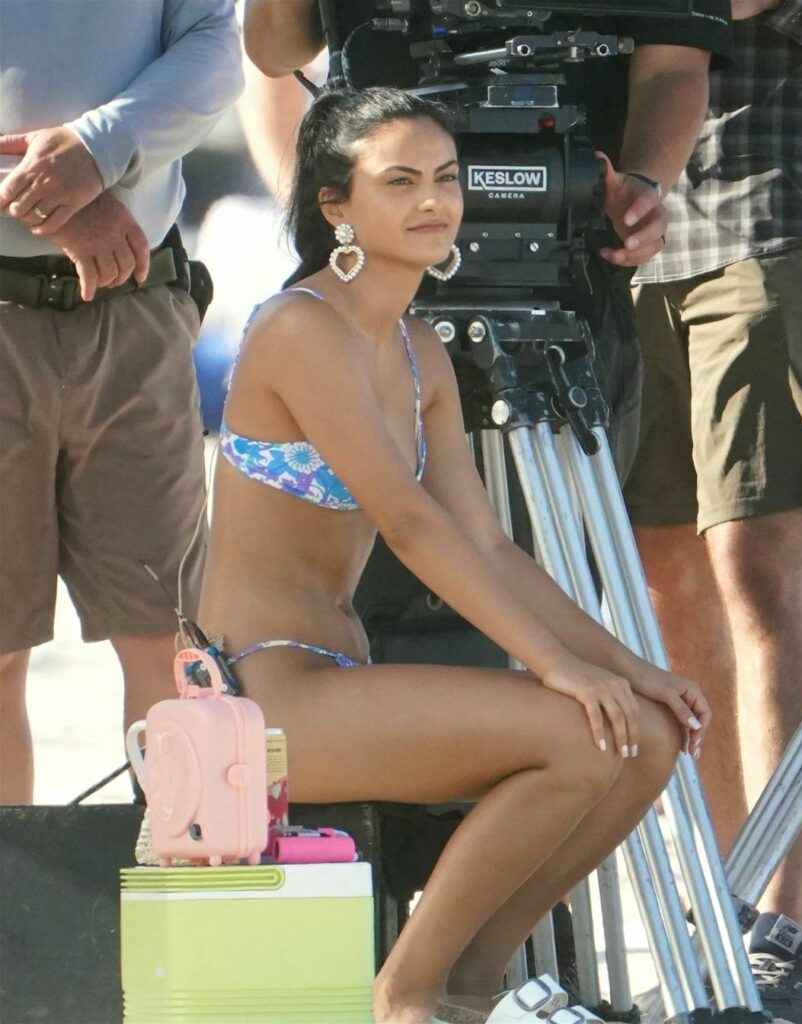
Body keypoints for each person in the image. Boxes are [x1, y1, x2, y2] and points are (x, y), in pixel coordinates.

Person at [198, 85, 709, 1024]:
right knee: (578, 734)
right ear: (336, 205)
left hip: (336, 679)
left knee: (649, 736)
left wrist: (633, 668)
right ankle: (406, 995)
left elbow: (484, 543)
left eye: (446, 178)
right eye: (399, 182)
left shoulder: (417, 348)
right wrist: (556, 668)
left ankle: (474, 991)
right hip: (255, 697)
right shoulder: (299, 326)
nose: (434, 200)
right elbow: (409, 523)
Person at [624, 0, 802, 1018]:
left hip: (772, 210)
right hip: (616, 226)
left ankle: (785, 926)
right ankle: (725, 909)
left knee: (760, 561)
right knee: (662, 574)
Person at [0, 0, 243, 804]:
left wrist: (98, 150)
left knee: (174, 648)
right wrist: (55, 189)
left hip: (135, 314)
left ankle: (190, 875)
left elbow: (215, 48)